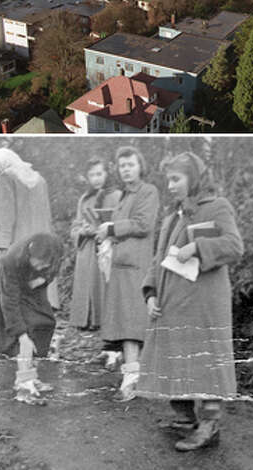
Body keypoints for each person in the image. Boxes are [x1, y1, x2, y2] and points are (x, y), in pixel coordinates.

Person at [137, 152, 245, 452]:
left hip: (204, 303)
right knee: (174, 353)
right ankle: (184, 416)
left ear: (193, 179)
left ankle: (209, 424)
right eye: (168, 180)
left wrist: (197, 247)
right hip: (171, 301)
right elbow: (158, 258)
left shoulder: (218, 206)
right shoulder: (172, 216)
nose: (170, 185)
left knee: (206, 357)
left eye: (176, 179)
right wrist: (150, 293)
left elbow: (235, 246)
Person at [96, 145, 160, 401]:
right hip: (121, 266)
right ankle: (133, 376)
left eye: (130, 165)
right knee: (125, 324)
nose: (126, 170)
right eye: (122, 166)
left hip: (136, 267)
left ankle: (133, 380)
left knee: (132, 325)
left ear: (140, 166)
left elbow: (144, 225)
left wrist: (111, 228)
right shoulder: (123, 195)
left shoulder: (148, 191)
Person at [0, 233, 64, 406]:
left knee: (45, 322)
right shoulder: (12, 260)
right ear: (29, 253)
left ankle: (32, 375)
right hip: (5, 285)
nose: (38, 265)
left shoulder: (56, 249)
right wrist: (21, 335)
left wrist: (43, 278)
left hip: (33, 283)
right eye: (35, 261)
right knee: (26, 328)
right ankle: (23, 383)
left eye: (43, 263)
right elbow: (10, 302)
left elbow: (53, 268)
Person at [0, 148, 56, 311]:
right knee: (37, 285)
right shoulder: (39, 179)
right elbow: (47, 215)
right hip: (41, 241)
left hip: (18, 241)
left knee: (13, 288)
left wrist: (2, 245)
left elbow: (5, 215)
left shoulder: (7, 177)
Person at [69, 157, 121, 334]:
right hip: (87, 249)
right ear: (87, 177)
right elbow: (76, 225)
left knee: (103, 282)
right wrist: (81, 231)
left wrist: (105, 229)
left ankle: (103, 319)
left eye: (99, 174)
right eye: (92, 175)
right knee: (87, 281)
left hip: (107, 246)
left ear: (106, 174)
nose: (96, 178)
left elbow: (122, 223)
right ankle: (85, 319)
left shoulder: (117, 196)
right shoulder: (84, 199)